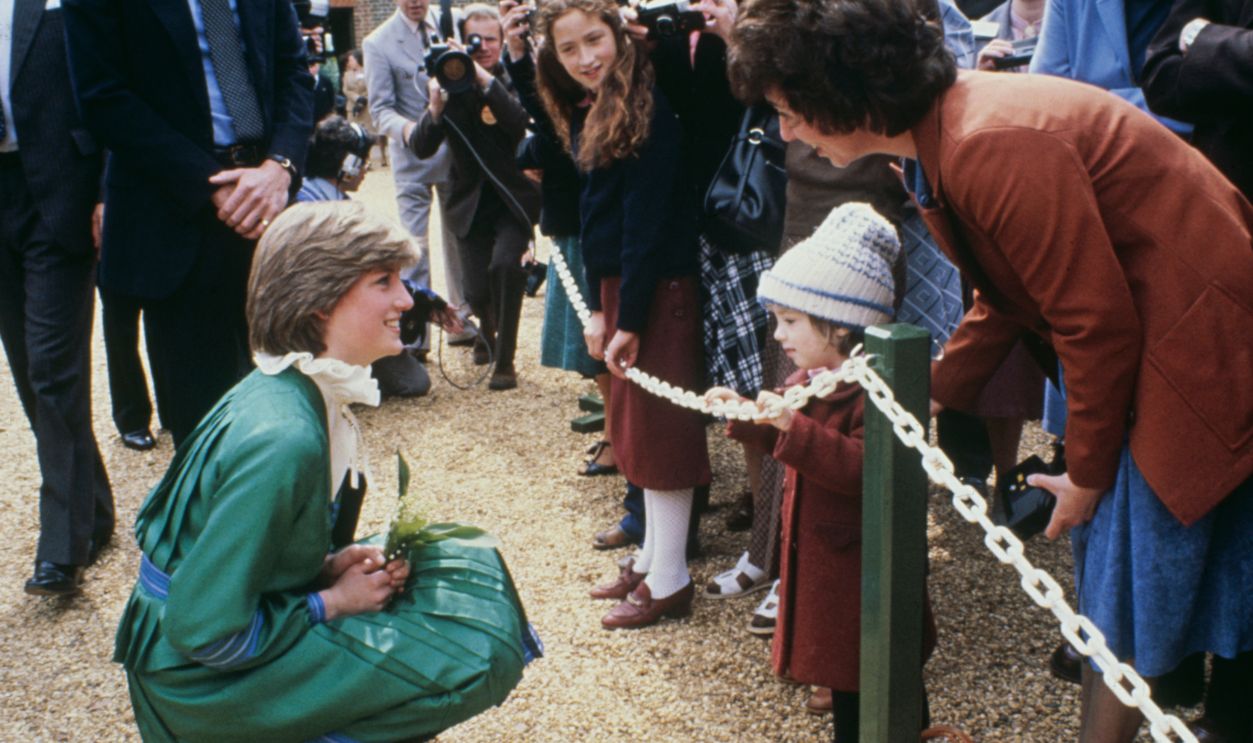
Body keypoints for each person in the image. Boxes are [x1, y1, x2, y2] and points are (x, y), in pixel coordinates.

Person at [727, 1, 1253, 740]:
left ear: (838, 93)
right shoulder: (944, 135)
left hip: (1193, 351)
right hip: (1166, 346)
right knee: (1128, 591)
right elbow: (1006, 294)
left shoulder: (986, 141)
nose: (786, 131)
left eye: (788, 110)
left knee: (1123, 598)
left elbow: (1090, 320)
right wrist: (932, 393)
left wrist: (1087, 475)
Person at [112, 201, 539, 742]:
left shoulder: (292, 388)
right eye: (383, 282)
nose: (406, 300)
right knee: (473, 655)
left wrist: (325, 564)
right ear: (319, 302)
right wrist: (332, 602)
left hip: (206, 644)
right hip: (197, 685)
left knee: (458, 565)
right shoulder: (284, 436)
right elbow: (204, 635)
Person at [708, 203, 936, 742]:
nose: (779, 335)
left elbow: (863, 469)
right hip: (830, 567)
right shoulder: (811, 376)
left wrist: (792, 426)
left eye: (791, 321)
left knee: (883, 684)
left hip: (864, 571)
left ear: (837, 324)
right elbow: (788, 438)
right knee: (848, 684)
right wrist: (747, 416)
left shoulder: (873, 389)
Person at [63, 0, 316, 448]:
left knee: (299, 414)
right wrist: (209, 185)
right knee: (206, 433)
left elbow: (293, 72)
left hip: (272, 207)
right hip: (176, 222)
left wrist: (281, 167)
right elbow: (103, 97)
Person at [536, 0, 712, 629]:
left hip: (656, 288)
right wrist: (602, 307)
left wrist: (628, 316)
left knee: (662, 434)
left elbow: (646, 222)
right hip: (627, 287)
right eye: (569, 49)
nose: (586, 58)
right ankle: (654, 557)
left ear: (618, 34)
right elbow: (597, 222)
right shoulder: (602, 105)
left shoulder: (648, 105)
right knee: (638, 431)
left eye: (594, 39)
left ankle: (671, 578)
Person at [2, 0, 113, 597]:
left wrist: (105, 189)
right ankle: (91, 508)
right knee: (28, 369)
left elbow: (106, 83)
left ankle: (60, 549)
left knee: (51, 366)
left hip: (59, 194)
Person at [411, 3, 541, 391]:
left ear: (502, 41)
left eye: (490, 39)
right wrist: (435, 109)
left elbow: (520, 122)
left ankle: (505, 362)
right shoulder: (450, 82)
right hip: (468, 203)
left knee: (506, 268)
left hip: (512, 199)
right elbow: (420, 147)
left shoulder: (511, 78)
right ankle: (486, 330)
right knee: (476, 290)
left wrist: (486, 80)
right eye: (475, 40)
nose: (482, 46)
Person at [364, 0, 475, 338]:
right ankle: (417, 333)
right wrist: (411, 131)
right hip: (412, 157)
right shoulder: (378, 42)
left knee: (460, 238)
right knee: (415, 247)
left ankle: (461, 320)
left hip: (455, 155)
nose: (415, 2)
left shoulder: (453, 24)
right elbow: (381, 110)